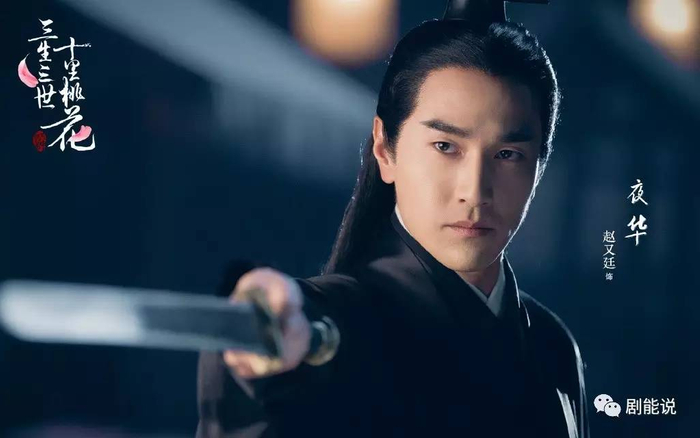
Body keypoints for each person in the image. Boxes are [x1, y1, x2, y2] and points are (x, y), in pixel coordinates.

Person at [196, 2, 589, 437]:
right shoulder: (337, 327)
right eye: (445, 147)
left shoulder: (552, 345)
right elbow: (295, 344)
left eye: (508, 154)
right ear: (385, 148)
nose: (475, 190)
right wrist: (267, 334)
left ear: (539, 167)